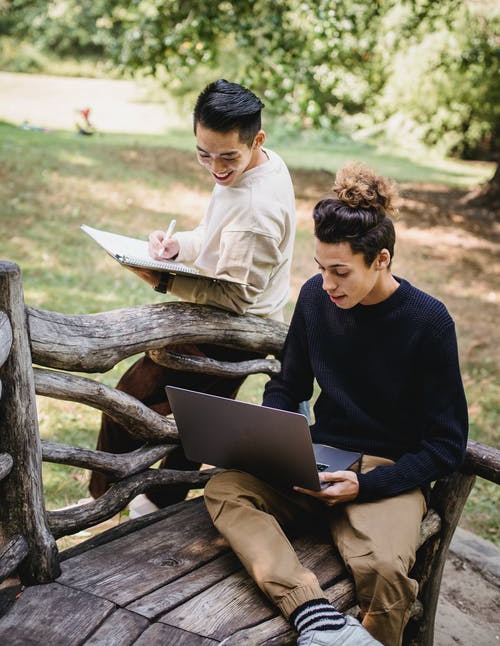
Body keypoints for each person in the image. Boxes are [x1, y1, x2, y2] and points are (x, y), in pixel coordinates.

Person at [204, 162, 468, 646]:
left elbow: (446, 445)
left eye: (341, 271)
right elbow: (290, 385)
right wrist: (272, 436)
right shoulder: (314, 298)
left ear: (381, 259)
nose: (328, 284)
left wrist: (364, 486)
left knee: (386, 570)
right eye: (320, 268)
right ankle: (312, 613)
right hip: (314, 460)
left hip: (385, 474)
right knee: (224, 489)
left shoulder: (429, 323)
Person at [89, 79, 303, 508]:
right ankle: (136, 505)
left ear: (256, 139)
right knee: (190, 424)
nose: (216, 167)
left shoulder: (255, 210)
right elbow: (215, 235)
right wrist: (178, 248)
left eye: (227, 156)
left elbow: (238, 298)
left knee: (133, 407)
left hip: (232, 334)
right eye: (204, 153)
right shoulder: (258, 163)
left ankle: (108, 501)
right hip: (223, 323)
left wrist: (164, 279)